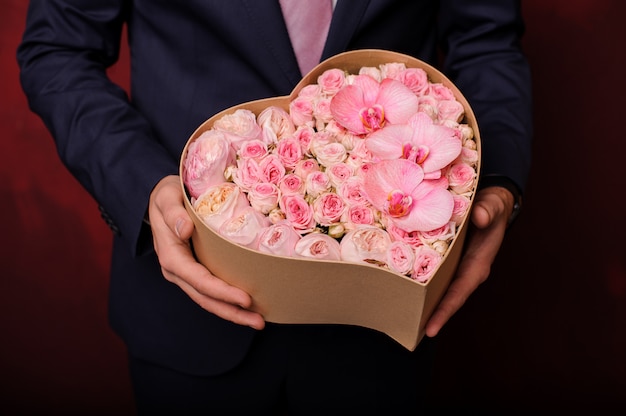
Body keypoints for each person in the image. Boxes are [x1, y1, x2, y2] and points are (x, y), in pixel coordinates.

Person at [17, 1, 532, 414]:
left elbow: (486, 43)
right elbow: (58, 48)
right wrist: (143, 185)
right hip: (189, 317)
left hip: (379, 318)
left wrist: (499, 187)